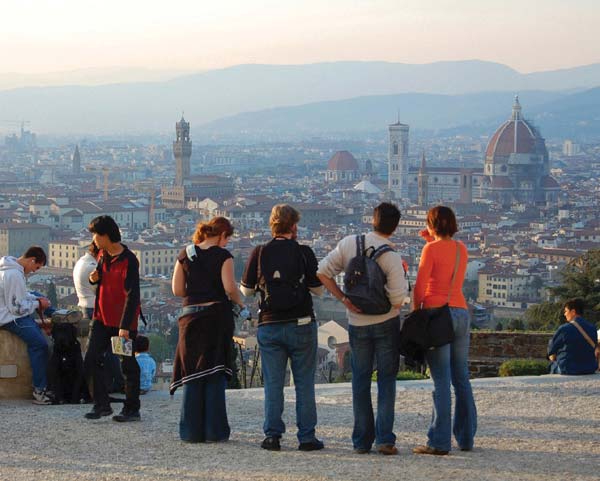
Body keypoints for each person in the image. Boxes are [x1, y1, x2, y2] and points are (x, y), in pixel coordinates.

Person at [317, 202, 409, 455]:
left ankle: (361, 441)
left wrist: (343, 299)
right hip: (386, 323)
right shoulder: (390, 255)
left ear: (372, 220)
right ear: (395, 227)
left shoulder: (349, 244)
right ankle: (385, 439)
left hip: (357, 323)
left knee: (360, 380)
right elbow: (398, 299)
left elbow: (322, 272)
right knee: (386, 381)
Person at [241, 204, 325, 452]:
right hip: (301, 324)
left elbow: (246, 290)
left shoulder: (259, 252)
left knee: (274, 384)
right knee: (304, 383)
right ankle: (307, 437)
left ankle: (272, 436)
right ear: (294, 226)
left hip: (270, 324)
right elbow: (318, 290)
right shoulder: (304, 252)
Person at [170, 216, 244, 443]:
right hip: (214, 317)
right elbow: (230, 288)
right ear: (222, 235)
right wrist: (242, 303)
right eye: (227, 239)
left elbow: (177, 290)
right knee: (214, 370)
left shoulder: (185, 254)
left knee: (192, 372)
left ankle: (190, 432)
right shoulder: (223, 256)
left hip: (189, 318)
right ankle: (215, 431)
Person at [412, 205, 477, 456]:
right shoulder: (461, 248)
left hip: (437, 317)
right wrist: (432, 239)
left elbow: (420, 286)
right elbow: (447, 264)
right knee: (461, 377)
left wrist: (415, 314)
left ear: (431, 224)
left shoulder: (430, 249)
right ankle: (466, 438)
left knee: (440, 381)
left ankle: (439, 442)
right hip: (460, 312)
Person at [83, 215, 142, 422]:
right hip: (101, 318)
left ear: (106, 235)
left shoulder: (129, 260)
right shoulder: (101, 254)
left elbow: (133, 295)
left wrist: (125, 327)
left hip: (121, 324)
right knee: (91, 360)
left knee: (126, 365)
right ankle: (101, 405)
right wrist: (93, 278)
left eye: (96, 234)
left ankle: (132, 409)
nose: (94, 238)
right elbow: (98, 279)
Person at [0, 246, 54, 405]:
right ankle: (39, 390)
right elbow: (17, 308)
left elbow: (22, 297)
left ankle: (57, 314)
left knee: (36, 295)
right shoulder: (14, 274)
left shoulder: (9, 267)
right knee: (40, 345)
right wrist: (38, 304)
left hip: (11, 314)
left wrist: (37, 301)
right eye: (36, 267)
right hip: (9, 318)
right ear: (32, 260)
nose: (34, 271)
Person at [73, 242, 124, 394]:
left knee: (104, 349)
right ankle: (119, 383)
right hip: (95, 307)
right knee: (111, 348)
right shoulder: (92, 266)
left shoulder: (82, 261)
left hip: (85, 306)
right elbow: (105, 289)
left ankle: (107, 384)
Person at [548, 299, 598, 375]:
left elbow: (551, 350)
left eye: (566, 311)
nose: (564, 314)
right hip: (589, 368)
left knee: (552, 365)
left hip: (568, 368)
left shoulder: (564, 329)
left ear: (573, 312)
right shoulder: (593, 328)